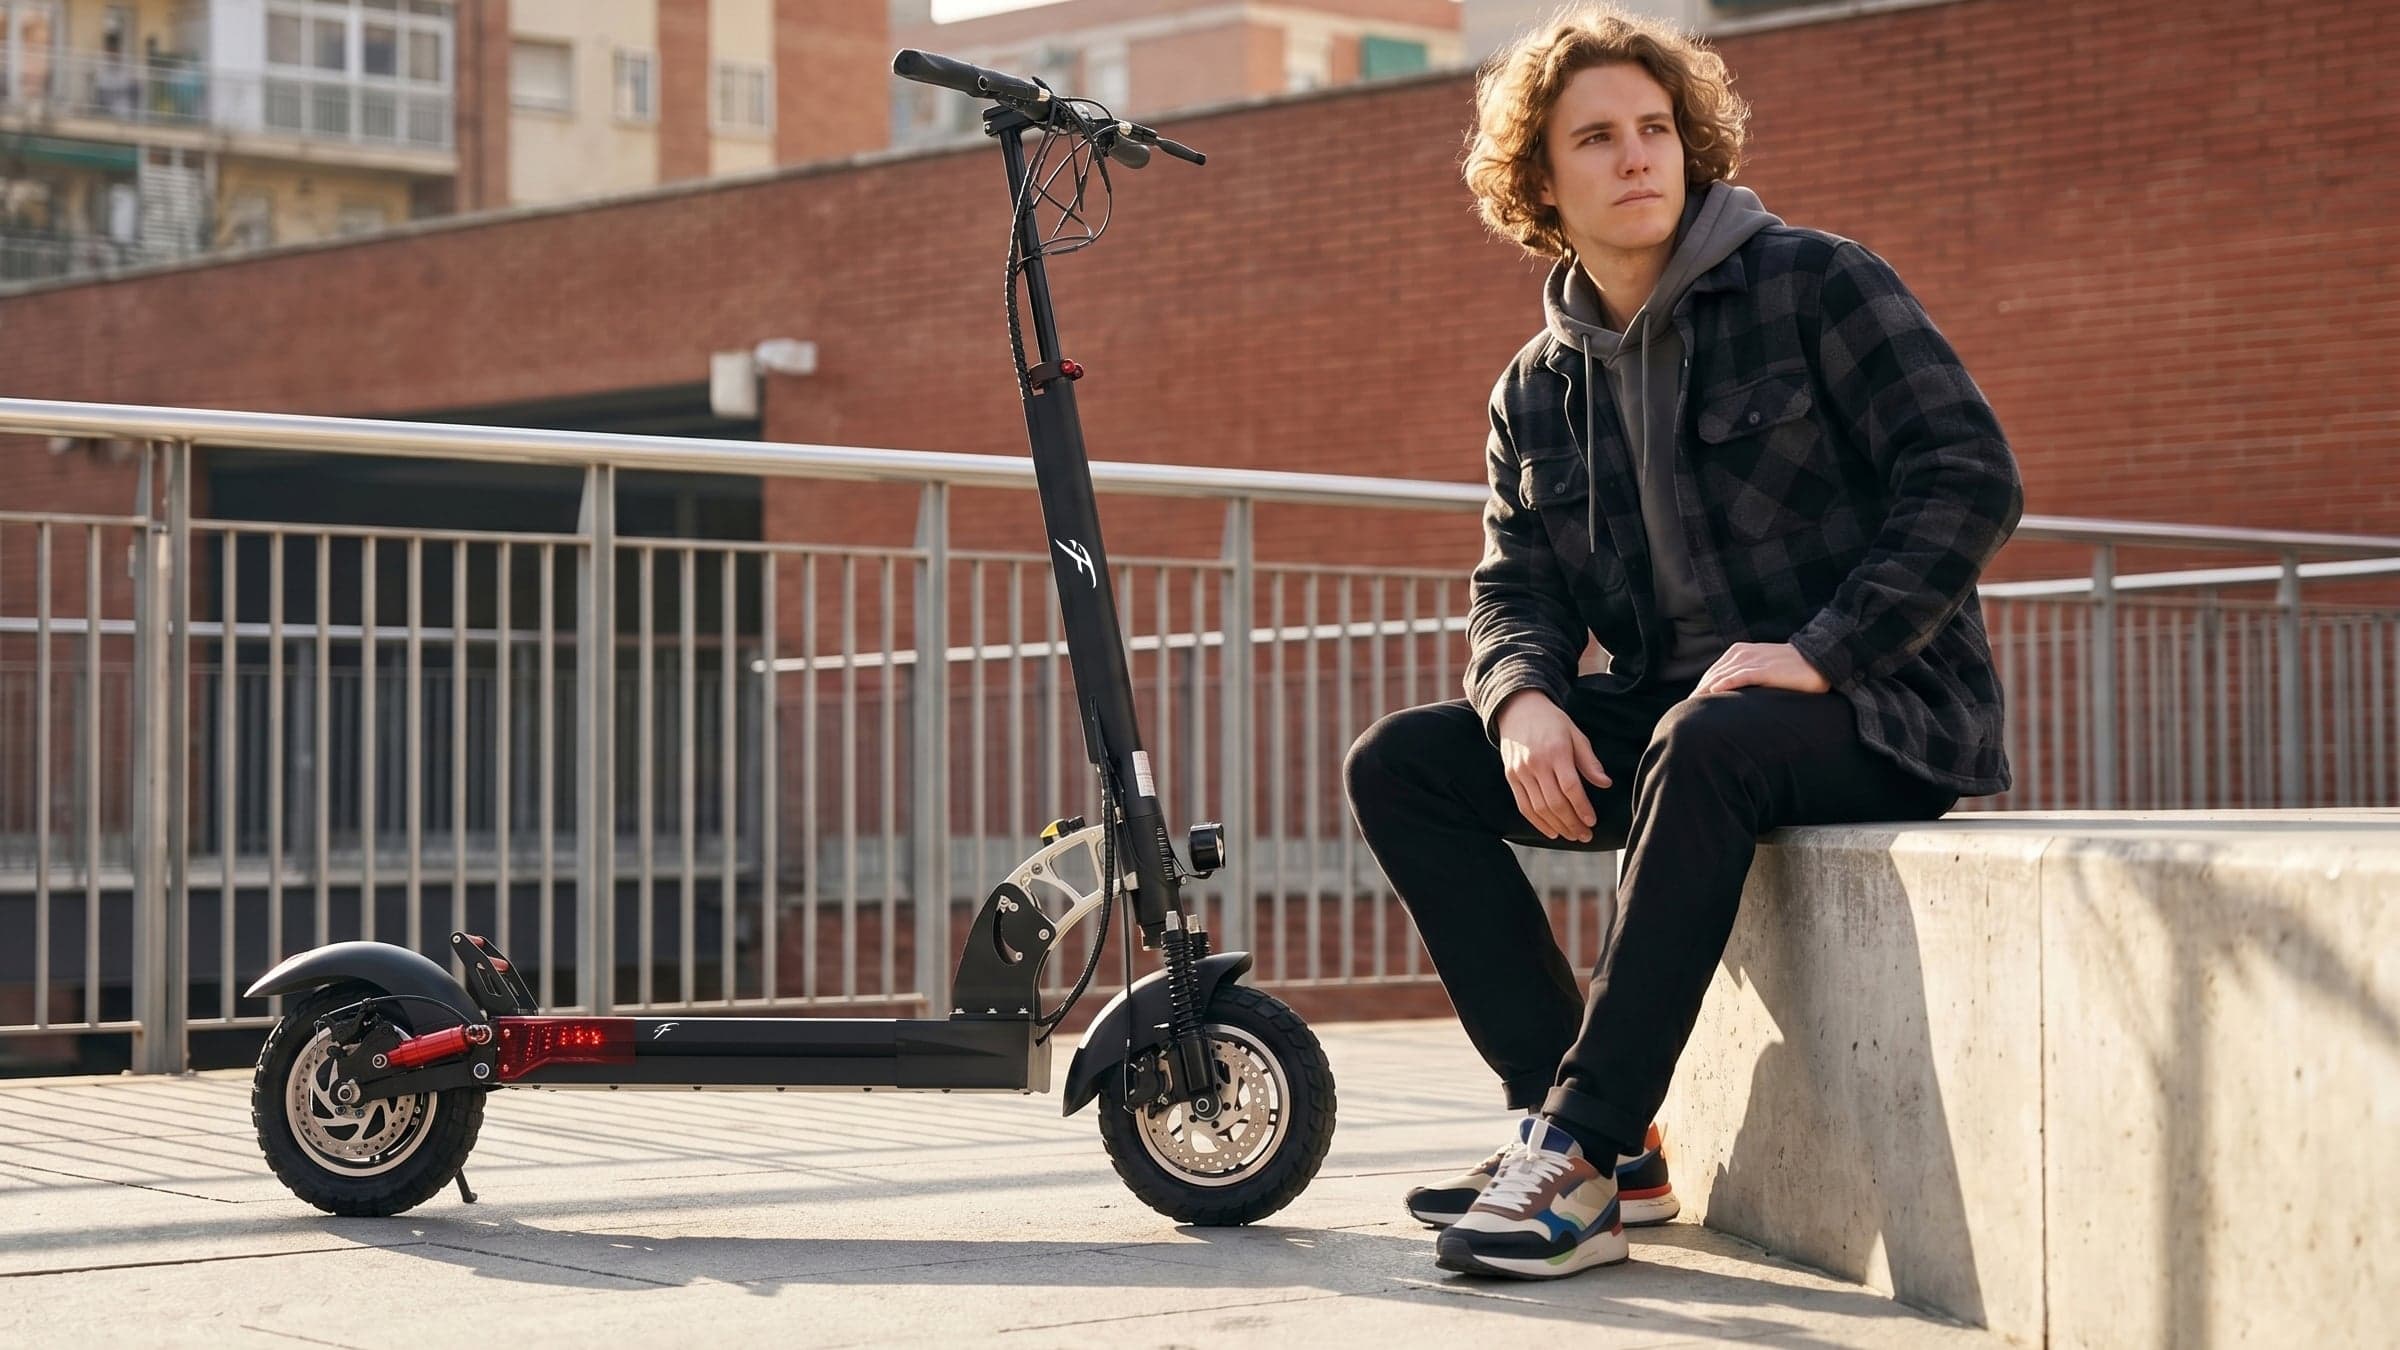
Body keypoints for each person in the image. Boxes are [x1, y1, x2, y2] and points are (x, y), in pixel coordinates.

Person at [1342, 4, 2023, 1280]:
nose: (1637, 155)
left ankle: (1582, 1155)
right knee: (1402, 763)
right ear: (1541, 182)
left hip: (1874, 706)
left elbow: (1970, 476)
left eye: (1655, 128)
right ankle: (1596, 1136)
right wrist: (1523, 699)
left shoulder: (1818, 282)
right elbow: (1514, 587)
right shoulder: (1537, 385)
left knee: (1705, 735)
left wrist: (1823, 648)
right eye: (1596, 137)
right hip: (1678, 717)